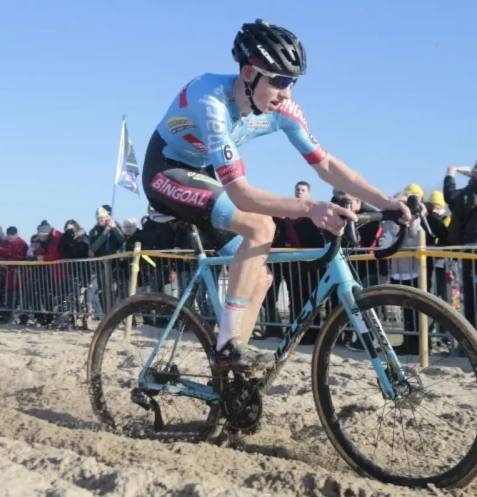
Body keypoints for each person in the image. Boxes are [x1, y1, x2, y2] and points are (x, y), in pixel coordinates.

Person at [142, 19, 417, 374]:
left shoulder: (283, 110)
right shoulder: (210, 99)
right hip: (165, 169)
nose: (287, 92)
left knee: (261, 277)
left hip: (202, 174)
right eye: (279, 80)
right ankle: (227, 349)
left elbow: (326, 164)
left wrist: (385, 202)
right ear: (247, 73)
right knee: (260, 226)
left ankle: (230, 375)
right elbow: (241, 193)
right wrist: (310, 207)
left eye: (293, 81)